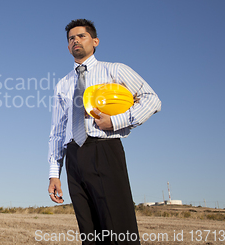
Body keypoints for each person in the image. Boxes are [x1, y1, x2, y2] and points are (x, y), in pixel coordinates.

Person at [47, 19, 161, 245]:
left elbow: (152, 100)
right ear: (68, 47)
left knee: (118, 227)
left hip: (104, 150)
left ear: (95, 41)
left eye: (81, 36)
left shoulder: (114, 70)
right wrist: (53, 173)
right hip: (74, 156)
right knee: (89, 233)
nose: (75, 40)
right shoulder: (63, 84)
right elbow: (57, 131)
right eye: (71, 39)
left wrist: (116, 121)